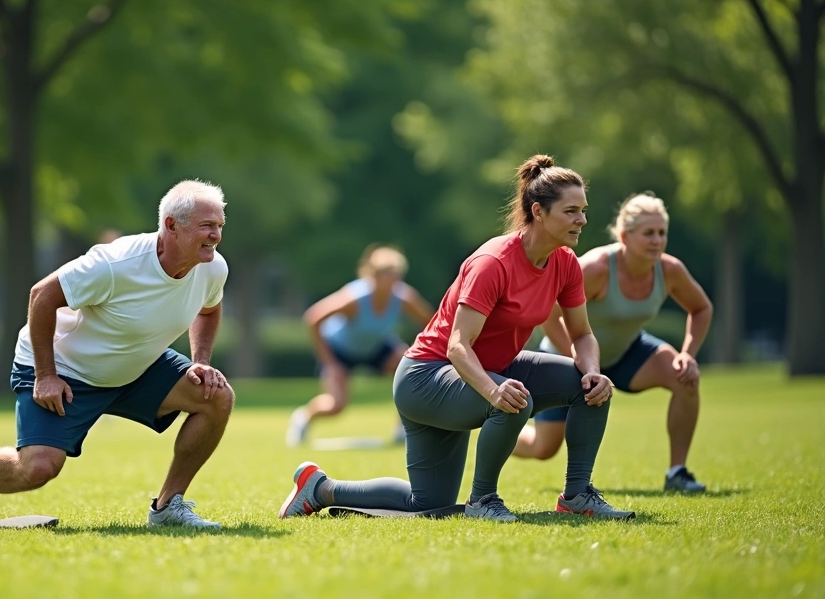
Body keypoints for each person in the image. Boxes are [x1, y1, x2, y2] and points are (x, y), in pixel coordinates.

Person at [278, 155, 634, 523]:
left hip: (486, 370)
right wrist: (493, 391)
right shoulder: (493, 262)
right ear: (539, 212)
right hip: (428, 377)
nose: (583, 221)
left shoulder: (565, 264)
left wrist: (592, 370)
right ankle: (483, 501)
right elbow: (457, 346)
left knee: (586, 387)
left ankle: (318, 488)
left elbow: (582, 334)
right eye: (572, 211)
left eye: (583, 210)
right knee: (513, 399)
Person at [0, 180, 235, 528]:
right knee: (37, 469)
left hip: (136, 367)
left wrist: (200, 360)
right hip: (65, 368)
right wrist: (46, 375)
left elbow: (208, 308)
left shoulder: (212, 267)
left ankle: (168, 507)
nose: (216, 235)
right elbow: (42, 297)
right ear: (172, 225)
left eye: (219, 225)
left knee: (216, 397)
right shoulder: (116, 263)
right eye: (206, 226)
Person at [513, 193, 713, 493]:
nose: (657, 240)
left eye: (661, 233)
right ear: (624, 236)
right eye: (648, 233)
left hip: (626, 352)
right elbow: (548, 316)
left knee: (684, 378)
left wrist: (688, 354)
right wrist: (580, 358)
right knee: (544, 448)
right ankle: (489, 431)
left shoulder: (670, 270)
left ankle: (677, 472)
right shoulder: (596, 268)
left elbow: (701, 308)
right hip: (568, 356)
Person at [286, 244, 433, 447]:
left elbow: (431, 323)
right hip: (339, 349)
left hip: (376, 346)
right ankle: (303, 418)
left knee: (408, 369)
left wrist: (422, 354)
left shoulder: (403, 297)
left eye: (397, 275)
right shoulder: (353, 299)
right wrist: (329, 363)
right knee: (335, 406)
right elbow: (313, 319)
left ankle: (403, 429)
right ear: (374, 275)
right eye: (388, 275)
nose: (394, 281)